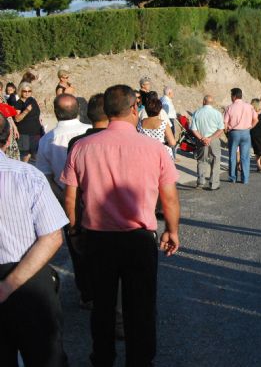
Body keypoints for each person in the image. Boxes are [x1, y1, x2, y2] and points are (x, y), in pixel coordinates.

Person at [61, 84, 180, 366]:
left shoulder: (82, 147)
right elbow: (170, 198)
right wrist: (172, 230)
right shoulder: (154, 148)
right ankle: (140, 360)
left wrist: (75, 230)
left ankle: (102, 357)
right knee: (141, 307)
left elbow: (70, 196)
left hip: (98, 238)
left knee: (102, 306)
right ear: (132, 109)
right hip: (138, 238)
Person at [0, 114, 69, 367]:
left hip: (22, 275)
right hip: (27, 278)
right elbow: (52, 237)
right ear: (9, 138)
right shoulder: (28, 175)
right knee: (45, 357)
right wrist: (9, 285)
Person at [66, 94, 109, 307]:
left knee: (83, 258)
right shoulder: (122, 140)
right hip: (114, 214)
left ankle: (88, 295)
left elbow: (71, 191)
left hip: (86, 211)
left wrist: (72, 226)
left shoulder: (77, 143)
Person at [36, 94, 92, 202]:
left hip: (63, 198)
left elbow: (45, 176)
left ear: (55, 111)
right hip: (93, 198)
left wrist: (65, 199)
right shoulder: (92, 131)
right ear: (78, 109)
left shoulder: (46, 140)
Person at [224, 88, 258, 184]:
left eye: (231, 95)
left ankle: (233, 177)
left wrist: (226, 132)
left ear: (234, 96)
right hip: (246, 132)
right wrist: (250, 127)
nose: (231, 97)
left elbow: (225, 123)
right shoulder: (249, 106)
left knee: (232, 156)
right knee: (245, 156)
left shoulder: (229, 107)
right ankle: (245, 178)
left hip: (234, 132)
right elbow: (256, 119)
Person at [191, 95, 224, 190]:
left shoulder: (197, 113)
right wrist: (211, 138)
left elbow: (194, 129)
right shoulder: (217, 113)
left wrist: (202, 138)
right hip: (214, 140)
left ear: (203, 101)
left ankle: (200, 182)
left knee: (201, 160)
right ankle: (214, 184)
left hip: (201, 140)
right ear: (212, 103)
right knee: (215, 160)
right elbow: (221, 129)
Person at [13, 81, 43, 162]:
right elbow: (17, 119)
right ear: (20, 91)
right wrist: (26, 111)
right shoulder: (18, 103)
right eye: (24, 91)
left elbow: (37, 115)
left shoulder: (33, 100)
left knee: (36, 156)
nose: (27, 93)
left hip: (36, 133)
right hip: (24, 134)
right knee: (25, 158)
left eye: (29, 91)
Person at [161, 86, 178, 157]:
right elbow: (165, 113)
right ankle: (172, 156)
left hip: (169, 119)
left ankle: (172, 155)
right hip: (169, 120)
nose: (173, 94)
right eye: (172, 92)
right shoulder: (166, 101)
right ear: (169, 93)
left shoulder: (164, 99)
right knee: (171, 138)